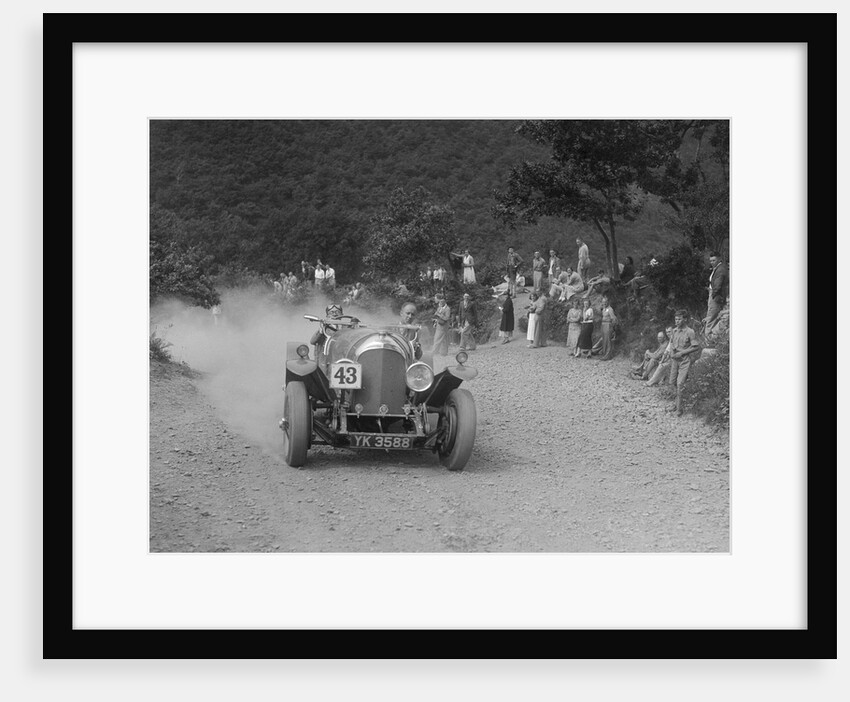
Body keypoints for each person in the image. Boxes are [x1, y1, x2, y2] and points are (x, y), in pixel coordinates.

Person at [667, 309, 702, 416]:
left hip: (684, 360)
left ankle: (679, 409)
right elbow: (672, 343)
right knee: (672, 382)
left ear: (685, 319)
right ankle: (676, 403)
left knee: (680, 383)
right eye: (675, 319)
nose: (677, 321)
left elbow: (696, 346)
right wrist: (673, 352)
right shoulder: (674, 331)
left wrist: (682, 353)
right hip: (674, 360)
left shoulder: (690, 331)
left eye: (679, 319)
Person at [705, 251, 729, 336]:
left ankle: (708, 340)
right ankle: (711, 338)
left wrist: (713, 295)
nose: (712, 262)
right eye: (711, 261)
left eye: (714, 260)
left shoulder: (721, 269)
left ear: (719, 259)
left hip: (715, 296)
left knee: (711, 318)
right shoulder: (717, 268)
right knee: (712, 317)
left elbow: (718, 286)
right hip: (713, 294)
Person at [599, 295, 618, 360]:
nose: (604, 303)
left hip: (608, 325)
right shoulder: (604, 309)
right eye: (603, 302)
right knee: (604, 340)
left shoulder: (610, 309)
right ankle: (604, 354)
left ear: (608, 302)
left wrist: (613, 328)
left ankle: (608, 356)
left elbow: (614, 318)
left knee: (608, 340)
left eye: (605, 302)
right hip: (603, 325)